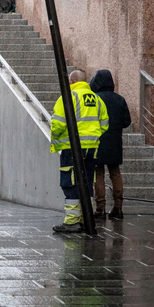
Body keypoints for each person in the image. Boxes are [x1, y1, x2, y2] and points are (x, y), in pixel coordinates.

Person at [51, 70, 109, 233]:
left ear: (72, 81)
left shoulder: (68, 98)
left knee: (70, 183)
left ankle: (71, 221)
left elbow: (58, 124)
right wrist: (93, 136)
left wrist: (55, 137)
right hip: (92, 148)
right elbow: (105, 124)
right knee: (87, 181)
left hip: (72, 147)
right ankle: (85, 218)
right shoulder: (97, 99)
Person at [90, 70, 131, 220]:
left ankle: (100, 209)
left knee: (98, 173)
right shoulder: (120, 99)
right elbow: (127, 122)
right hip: (115, 142)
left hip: (98, 141)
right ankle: (118, 207)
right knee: (115, 173)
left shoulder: (95, 99)